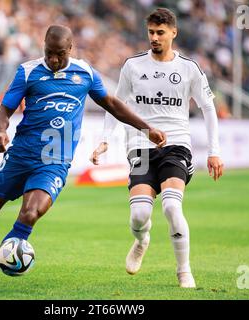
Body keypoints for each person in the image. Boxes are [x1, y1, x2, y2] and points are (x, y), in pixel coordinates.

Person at [0, 25, 167, 291]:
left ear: (70, 49)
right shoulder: (28, 71)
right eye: (49, 53)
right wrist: (1, 131)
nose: (53, 60)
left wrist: (146, 127)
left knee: (30, 214)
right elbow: (3, 111)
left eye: (59, 54)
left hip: (53, 163)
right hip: (19, 157)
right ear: (43, 47)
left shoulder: (84, 73)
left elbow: (112, 104)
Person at [90, 8, 224, 288]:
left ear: (173, 33)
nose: (154, 37)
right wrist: (105, 139)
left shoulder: (188, 68)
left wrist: (214, 151)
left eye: (160, 32)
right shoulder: (133, 66)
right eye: (151, 32)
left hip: (176, 145)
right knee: (139, 216)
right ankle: (142, 240)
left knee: (172, 208)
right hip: (139, 147)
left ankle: (183, 270)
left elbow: (208, 107)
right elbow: (115, 105)